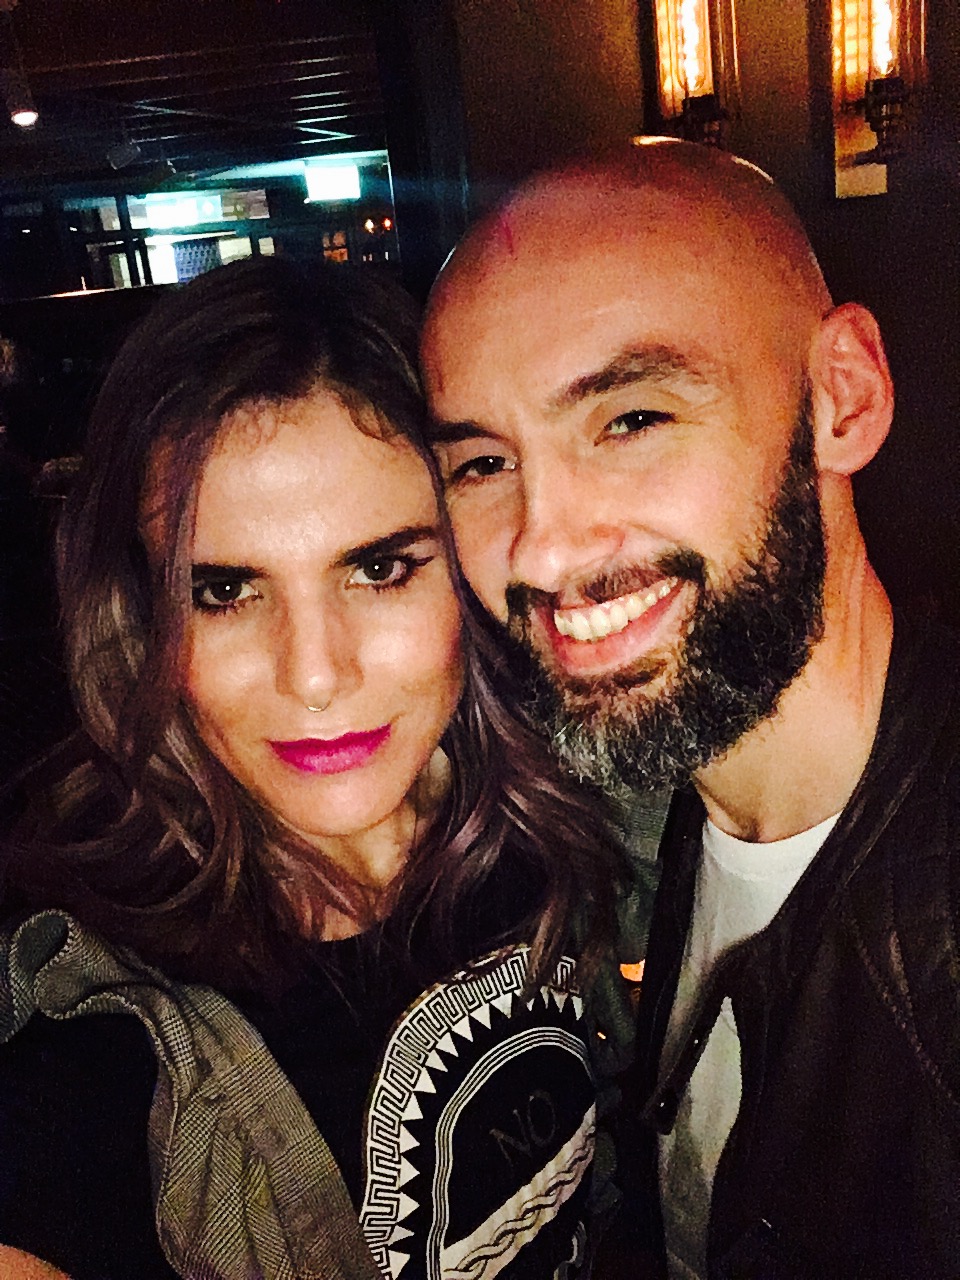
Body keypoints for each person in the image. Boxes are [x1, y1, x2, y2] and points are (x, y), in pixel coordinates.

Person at [0, 257, 635, 1280]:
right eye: (224, 590)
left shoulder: (580, 811)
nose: (314, 675)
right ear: (143, 618)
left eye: (379, 567)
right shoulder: (100, 1040)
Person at [419, 138, 960, 1278]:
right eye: (482, 465)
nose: (542, 549)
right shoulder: (627, 805)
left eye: (631, 420)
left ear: (844, 397)